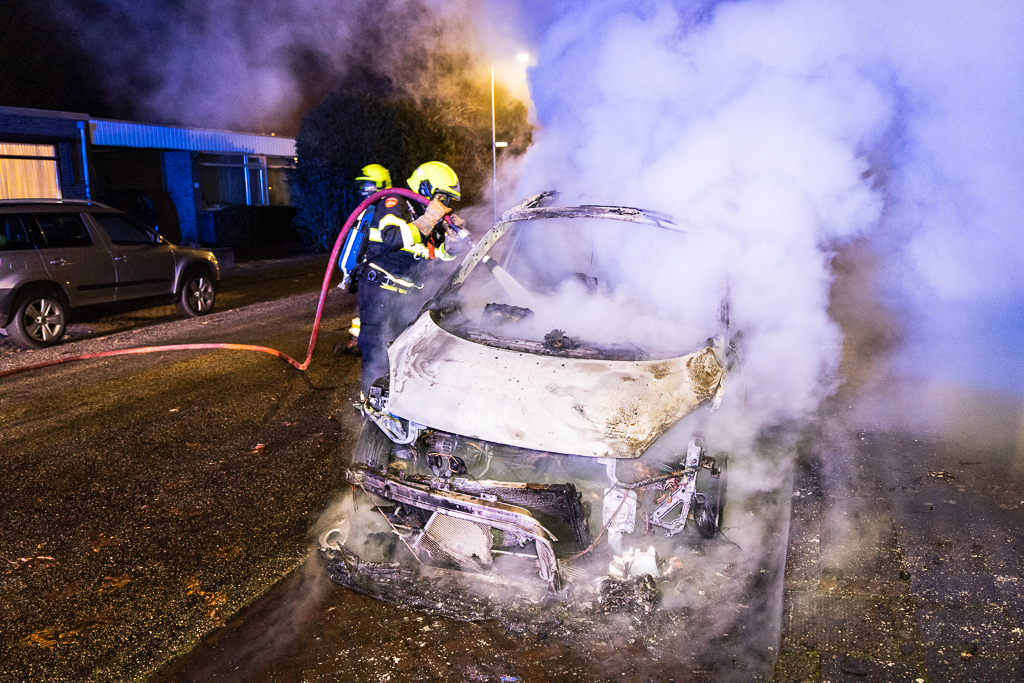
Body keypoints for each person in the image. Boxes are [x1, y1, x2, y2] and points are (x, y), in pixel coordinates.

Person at [356, 161, 467, 395]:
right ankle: (368, 408)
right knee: (378, 358)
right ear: (425, 187)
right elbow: (393, 237)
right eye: (442, 198)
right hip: (379, 294)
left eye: (448, 201)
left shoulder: (419, 215)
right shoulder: (395, 202)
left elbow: (429, 260)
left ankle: (395, 406)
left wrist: (451, 248)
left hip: (401, 298)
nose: (445, 206)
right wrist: (428, 220)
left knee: (400, 357)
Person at [337, 164, 393, 356]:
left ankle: (370, 345)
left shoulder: (387, 210)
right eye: (363, 185)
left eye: (369, 185)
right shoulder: (368, 209)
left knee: (374, 310)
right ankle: (357, 339)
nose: (365, 190)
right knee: (363, 307)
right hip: (366, 269)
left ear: (382, 185)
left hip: (379, 271)